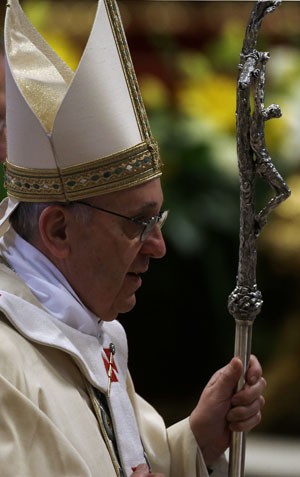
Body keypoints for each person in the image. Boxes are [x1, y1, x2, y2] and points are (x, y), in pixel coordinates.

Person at [0, 1, 266, 476]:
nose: (158, 246)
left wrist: (196, 444)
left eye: (158, 217)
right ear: (58, 230)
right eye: (138, 224)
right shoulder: (7, 364)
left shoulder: (84, 331)